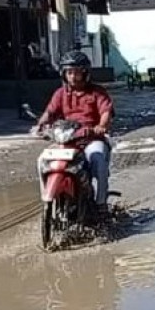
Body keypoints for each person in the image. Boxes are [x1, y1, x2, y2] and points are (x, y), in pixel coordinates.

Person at [32, 51, 114, 213]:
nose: (73, 76)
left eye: (77, 72)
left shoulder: (97, 92)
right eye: (70, 72)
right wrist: (41, 125)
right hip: (67, 139)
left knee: (98, 160)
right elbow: (50, 112)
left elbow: (106, 111)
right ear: (64, 74)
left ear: (85, 73)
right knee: (42, 160)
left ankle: (101, 202)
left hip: (91, 138)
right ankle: (47, 198)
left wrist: (102, 126)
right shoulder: (60, 93)